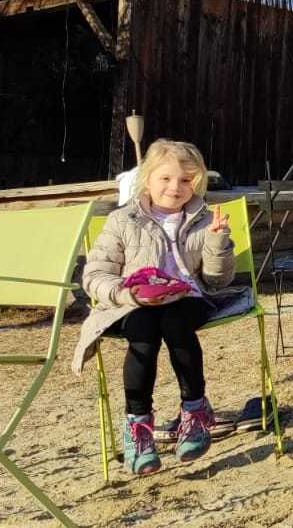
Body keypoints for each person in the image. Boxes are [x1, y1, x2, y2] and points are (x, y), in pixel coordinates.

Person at [73, 139, 248, 475]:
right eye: (165, 178)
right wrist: (129, 295)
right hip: (132, 302)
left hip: (189, 299)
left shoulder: (205, 220)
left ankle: (194, 411)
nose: (175, 187)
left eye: (186, 180)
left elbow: (217, 281)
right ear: (147, 179)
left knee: (174, 321)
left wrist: (217, 241)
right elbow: (94, 276)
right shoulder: (123, 220)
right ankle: (138, 425)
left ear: (197, 182)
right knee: (143, 331)